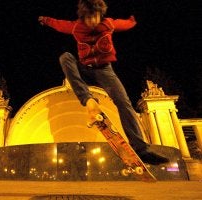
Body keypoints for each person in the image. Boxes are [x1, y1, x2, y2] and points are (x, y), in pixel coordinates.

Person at [38, 0, 169, 165]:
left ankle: (141, 149)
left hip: (105, 71)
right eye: (89, 18)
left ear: (101, 16)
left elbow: (126, 23)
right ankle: (89, 100)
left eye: (96, 17)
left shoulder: (108, 24)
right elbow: (59, 24)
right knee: (65, 57)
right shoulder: (75, 26)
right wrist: (46, 20)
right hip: (83, 68)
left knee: (124, 102)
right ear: (83, 17)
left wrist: (134, 19)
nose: (93, 21)